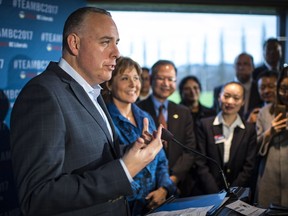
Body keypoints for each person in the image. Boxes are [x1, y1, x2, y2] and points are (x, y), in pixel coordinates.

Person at [10, 7, 163, 216]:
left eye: (116, 43)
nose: (117, 53)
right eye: (105, 42)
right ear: (75, 44)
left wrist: (132, 151)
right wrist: (125, 170)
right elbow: (37, 197)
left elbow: (90, 157)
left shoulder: (93, 91)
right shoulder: (43, 94)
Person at [102, 56, 176, 215]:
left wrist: (163, 189)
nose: (133, 84)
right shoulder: (104, 119)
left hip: (155, 205)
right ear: (109, 83)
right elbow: (109, 166)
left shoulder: (145, 117)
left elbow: (161, 159)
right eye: (124, 78)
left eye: (136, 78)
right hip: (123, 207)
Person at [137, 60, 197, 197]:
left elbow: (189, 151)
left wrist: (169, 183)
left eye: (171, 79)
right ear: (151, 79)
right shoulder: (137, 109)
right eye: (161, 78)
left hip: (179, 185)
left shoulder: (183, 112)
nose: (166, 83)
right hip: (147, 188)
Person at [197, 82, 257, 195]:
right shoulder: (205, 125)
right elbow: (200, 163)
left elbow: (249, 166)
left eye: (236, 98)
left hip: (238, 193)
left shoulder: (249, 129)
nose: (230, 102)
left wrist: (232, 192)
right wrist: (215, 192)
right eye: (226, 96)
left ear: (243, 101)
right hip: (209, 192)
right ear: (219, 97)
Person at [255, 66, 288, 208]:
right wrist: (269, 132)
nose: (286, 94)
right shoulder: (264, 112)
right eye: (283, 89)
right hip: (269, 174)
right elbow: (254, 147)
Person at [213, 53, 262, 118]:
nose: (241, 68)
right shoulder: (219, 90)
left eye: (245, 64)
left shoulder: (260, 89)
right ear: (234, 67)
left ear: (253, 67)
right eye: (238, 64)